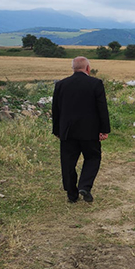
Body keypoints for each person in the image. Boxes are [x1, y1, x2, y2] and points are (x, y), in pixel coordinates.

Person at [52, 57, 110, 203]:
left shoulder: (61, 84)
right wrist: (104, 129)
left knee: (68, 162)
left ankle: (71, 194)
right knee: (93, 158)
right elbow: (102, 108)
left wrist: (57, 130)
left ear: (73, 68)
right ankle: (84, 186)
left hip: (67, 131)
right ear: (88, 68)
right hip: (90, 131)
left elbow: (56, 110)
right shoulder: (96, 83)